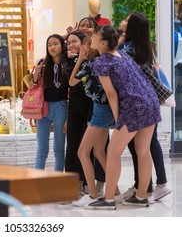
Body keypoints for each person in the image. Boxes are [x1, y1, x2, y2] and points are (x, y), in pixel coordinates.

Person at [86, 25, 161, 210]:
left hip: (133, 106)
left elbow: (111, 94)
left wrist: (119, 118)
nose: (91, 38)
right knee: (143, 151)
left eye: (95, 36)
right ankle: (142, 195)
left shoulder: (101, 62)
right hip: (150, 100)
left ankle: (109, 199)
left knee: (113, 152)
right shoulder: (122, 54)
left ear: (103, 43)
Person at [118, 12, 172, 202]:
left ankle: (145, 186)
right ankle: (156, 183)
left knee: (139, 147)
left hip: (136, 101)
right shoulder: (147, 46)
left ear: (131, 27)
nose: (122, 21)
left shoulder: (126, 48)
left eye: (126, 20)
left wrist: (120, 39)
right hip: (152, 99)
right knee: (150, 143)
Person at [69, 36, 121, 207]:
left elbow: (72, 81)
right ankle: (116, 191)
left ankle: (92, 195)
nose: (85, 46)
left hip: (100, 109)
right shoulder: (100, 61)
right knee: (99, 152)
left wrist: (80, 60)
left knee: (82, 152)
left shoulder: (89, 64)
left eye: (85, 44)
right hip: (104, 108)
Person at [31, 34, 69, 171]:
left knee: (59, 149)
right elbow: (32, 87)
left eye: (56, 44)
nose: (52, 47)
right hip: (44, 107)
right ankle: (37, 180)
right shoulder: (42, 63)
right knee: (42, 149)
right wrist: (35, 77)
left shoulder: (68, 63)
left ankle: (56, 180)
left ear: (62, 45)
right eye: (49, 45)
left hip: (61, 107)